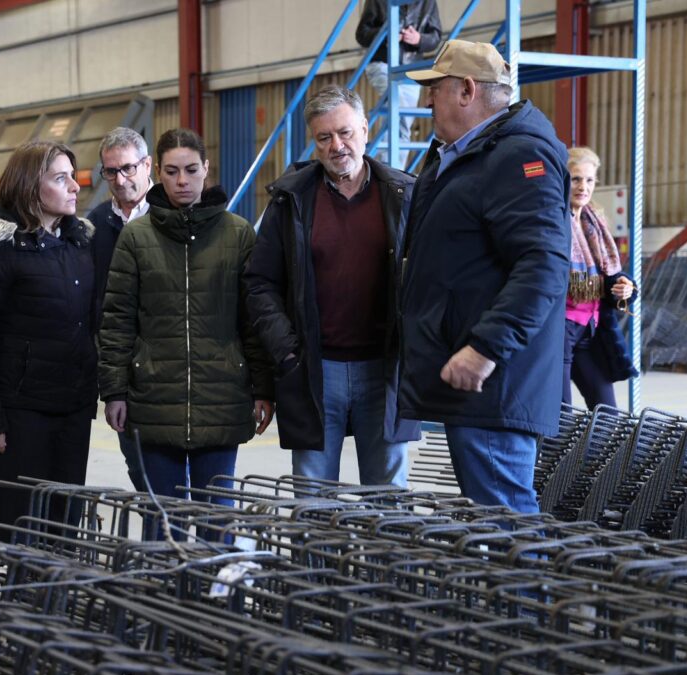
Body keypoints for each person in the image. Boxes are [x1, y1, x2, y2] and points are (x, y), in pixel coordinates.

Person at [398, 40, 571, 513]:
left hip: (493, 385)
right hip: (476, 387)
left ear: (467, 90)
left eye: (434, 89)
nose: (427, 101)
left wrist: (486, 349)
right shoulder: (467, 155)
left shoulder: (516, 157)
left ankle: (530, 592)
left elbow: (545, 265)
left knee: (505, 521)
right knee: (495, 522)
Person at [245, 85, 420, 491]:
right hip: (313, 371)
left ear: (364, 127)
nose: (337, 145)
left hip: (385, 369)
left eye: (345, 132)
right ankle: (313, 560)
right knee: (313, 497)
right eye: (324, 137)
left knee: (389, 496)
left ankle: (386, 560)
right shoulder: (291, 200)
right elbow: (259, 283)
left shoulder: (402, 195)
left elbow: (428, 279)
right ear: (314, 141)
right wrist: (287, 351)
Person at [98, 128, 274, 507]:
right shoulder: (135, 238)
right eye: (172, 171)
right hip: (154, 399)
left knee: (217, 516)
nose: (182, 181)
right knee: (163, 519)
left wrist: (263, 388)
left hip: (222, 398)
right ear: (157, 171)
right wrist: (114, 390)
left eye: (191, 170)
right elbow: (118, 319)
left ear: (206, 169)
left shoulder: (239, 235)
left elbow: (254, 321)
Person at [0, 141, 97, 541]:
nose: (75, 186)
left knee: (64, 524)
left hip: (72, 409)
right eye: (60, 178)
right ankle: (21, 600)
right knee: (23, 528)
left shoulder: (79, 244)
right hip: (21, 416)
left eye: (73, 175)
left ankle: (58, 599)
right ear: (31, 188)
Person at [87, 127, 154, 491]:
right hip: (123, 368)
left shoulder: (172, 213)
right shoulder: (95, 225)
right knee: (141, 470)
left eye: (128, 168)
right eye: (110, 171)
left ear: (146, 165)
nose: (120, 179)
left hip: (171, 365)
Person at [564, 146, 638, 408]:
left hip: (590, 328)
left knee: (607, 415)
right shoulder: (551, 219)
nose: (583, 186)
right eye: (575, 179)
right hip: (559, 329)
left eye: (589, 180)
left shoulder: (595, 220)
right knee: (559, 417)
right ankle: (554, 451)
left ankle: (593, 451)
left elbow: (609, 273)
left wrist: (624, 287)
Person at [356, 0, 442, 167]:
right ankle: (387, 168)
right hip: (381, 64)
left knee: (402, 123)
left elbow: (435, 36)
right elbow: (362, 34)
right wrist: (385, 34)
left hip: (410, 69)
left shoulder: (428, 2)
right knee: (398, 106)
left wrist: (419, 39)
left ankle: (393, 171)